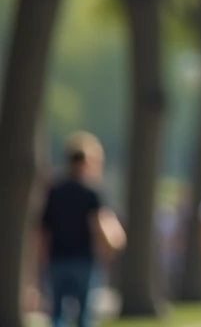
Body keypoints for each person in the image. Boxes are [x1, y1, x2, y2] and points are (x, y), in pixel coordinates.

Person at [39, 133, 126, 327]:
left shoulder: (54, 190)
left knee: (56, 312)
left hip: (57, 258)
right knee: (84, 313)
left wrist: (41, 260)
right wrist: (112, 247)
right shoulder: (93, 192)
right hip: (84, 259)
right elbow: (102, 226)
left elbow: (43, 230)